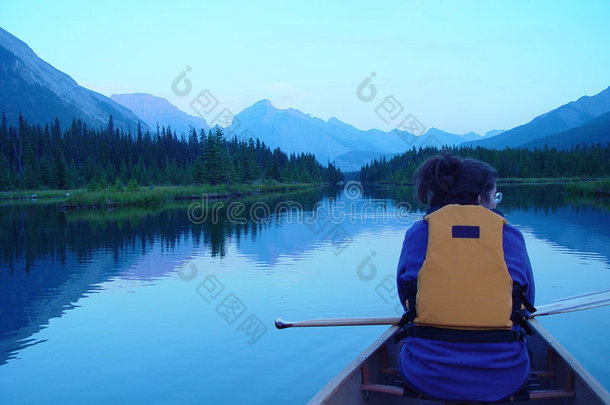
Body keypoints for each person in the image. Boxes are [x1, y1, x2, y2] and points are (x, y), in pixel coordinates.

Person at [395, 153, 535, 402]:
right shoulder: (510, 235)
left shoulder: (417, 234)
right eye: (495, 197)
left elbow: (406, 298)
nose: (495, 204)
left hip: (425, 375)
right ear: (480, 198)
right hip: (505, 375)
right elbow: (525, 306)